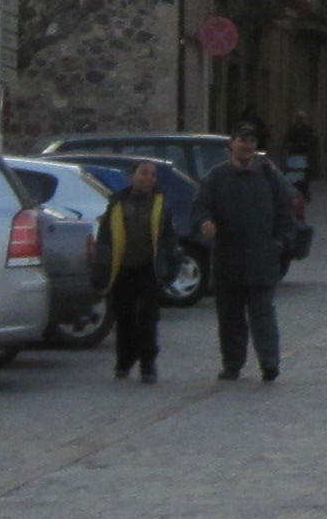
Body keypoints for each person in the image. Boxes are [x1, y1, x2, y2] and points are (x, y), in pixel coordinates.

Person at [198, 125, 296, 383]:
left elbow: (286, 210)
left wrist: (280, 243)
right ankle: (232, 364)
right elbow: (200, 208)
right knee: (229, 319)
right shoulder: (216, 177)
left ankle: (269, 363)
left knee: (263, 316)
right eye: (243, 141)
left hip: (261, 258)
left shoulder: (269, 175)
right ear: (232, 144)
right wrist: (206, 224)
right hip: (227, 259)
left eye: (252, 141)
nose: (247, 146)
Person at [92, 158, 178, 384]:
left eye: (152, 174)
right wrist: (100, 270)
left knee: (148, 317)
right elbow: (106, 239)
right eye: (144, 173)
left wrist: (170, 266)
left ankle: (148, 365)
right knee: (124, 316)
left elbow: (168, 238)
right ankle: (124, 361)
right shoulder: (118, 203)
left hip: (149, 267)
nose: (148, 178)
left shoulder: (161, 204)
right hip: (123, 267)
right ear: (132, 176)